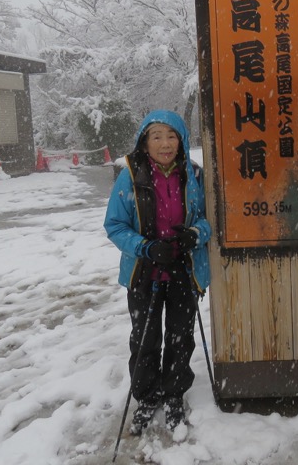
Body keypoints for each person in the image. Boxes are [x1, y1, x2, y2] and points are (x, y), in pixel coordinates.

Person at [104, 110, 211, 436]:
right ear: (144, 141)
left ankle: (174, 393)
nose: (165, 144)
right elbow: (115, 225)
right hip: (144, 273)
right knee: (146, 339)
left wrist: (195, 234)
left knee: (181, 339)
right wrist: (146, 248)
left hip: (183, 270)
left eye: (172, 136)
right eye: (157, 136)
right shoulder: (130, 176)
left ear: (181, 140)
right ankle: (147, 396)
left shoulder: (193, 174)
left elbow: (210, 219)